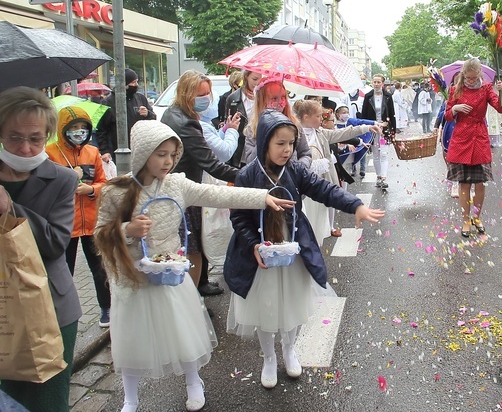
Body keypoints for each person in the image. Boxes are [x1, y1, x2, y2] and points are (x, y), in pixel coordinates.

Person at [94, 120, 293, 412]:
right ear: (142, 153)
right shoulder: (115, 191)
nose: (168, 161)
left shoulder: (177, 184)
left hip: (170, 273)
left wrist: (261, 197)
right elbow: (99, 232)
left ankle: (192, 380)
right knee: (130, 339)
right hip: (131, 277)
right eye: (161, 153)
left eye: (173, 154)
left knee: (182, 330)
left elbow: (218, 194)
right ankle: (131, 397)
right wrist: (127, 229)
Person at [224, 111, 384, 389]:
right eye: (280, 144)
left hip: (292, 246)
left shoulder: (296, 171)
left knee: (294, 300)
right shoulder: (248, 175)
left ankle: (289, 349)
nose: (287, 150)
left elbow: (324, 189)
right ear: (264, 143)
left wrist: (355, 204)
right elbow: (238, 217)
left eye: (291, 143)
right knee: (264, 305)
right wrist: (253, 245)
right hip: (260, 250)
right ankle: (269, 357)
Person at [0, 87, 82, 412]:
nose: (25, 147)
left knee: (47, 401)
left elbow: (54, 242)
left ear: (47, 135)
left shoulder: (62, 179)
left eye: (35, 138)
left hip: (50, 308)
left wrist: (10, 209)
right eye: (14, 137)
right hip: (4, 305)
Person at [161, 70, 240, 297]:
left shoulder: (173, 113)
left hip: (183, 188)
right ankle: (192, 299)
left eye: (208, 93)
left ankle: (201, 284)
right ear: (186, 94)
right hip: (185, 191)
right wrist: (246, 176)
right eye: (200, 94)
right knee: (192, 247)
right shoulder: (186, 122)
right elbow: (212, 163)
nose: (206, 98)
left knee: (194, 242)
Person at [45, 106, 111, 327]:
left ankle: (106, 309)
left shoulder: (92, 152)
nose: (79, 131)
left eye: (83, 127)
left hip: (92, 222)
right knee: (63, 273)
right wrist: (68, 181)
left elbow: (104, 184)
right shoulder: (50, 153)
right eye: (74, 128)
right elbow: (46, 188)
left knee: (100, 268)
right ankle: (61, 314)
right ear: (63, 129)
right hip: (65, 224)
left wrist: (91, 190)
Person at [294, 99, 381, 243]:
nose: (322, 119)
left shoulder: (320, 133)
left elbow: (343, 133)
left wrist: (366, 127)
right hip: (303, 187)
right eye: (318, 116)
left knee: (319, 223)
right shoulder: (294, 134)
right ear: (306, 117)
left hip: (320, 184)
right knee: (306, 224)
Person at [444, 58, 502, 237]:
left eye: (473, 78)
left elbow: (500, 108)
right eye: (467, 78)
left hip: (479, 138)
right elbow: (448, 116)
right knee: (464, 184)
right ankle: (465, 220)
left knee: (480, 184)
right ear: (463, 74)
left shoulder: (486, 88)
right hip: (461, 138)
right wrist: (455, 108)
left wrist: (501, 93)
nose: (470, 81)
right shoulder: (455, 89)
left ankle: (477, 217)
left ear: (479, 74)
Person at [242, 78, 311, 168]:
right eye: (274, 98)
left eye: (283, 97)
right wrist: (263, 133)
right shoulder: (253, 128)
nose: (280, 102)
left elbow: (306, 154)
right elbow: (250, 161)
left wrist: (298, 168)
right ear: (261, 101)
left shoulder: (295, 124)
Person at [96, 68, 156, 163]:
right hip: (116, 152)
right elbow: (101, 130)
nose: (136, 85)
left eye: (137, 82)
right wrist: (104, 151)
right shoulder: (107, 102)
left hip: (140, 149)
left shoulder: (140, 98)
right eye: (133, 82)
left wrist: (148, 114)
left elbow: (153, 120)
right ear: (124, 84)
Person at [360, 74, 397, 189]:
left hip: (384, 130)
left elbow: (392, 114)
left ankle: (384, 178)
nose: (376, 84)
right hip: (373, 129)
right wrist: (366, 128)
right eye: (374, 82)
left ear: (382, 83)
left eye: (378, 82)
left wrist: (393, 130)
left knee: (384, 154)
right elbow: (364, 115)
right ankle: (379, 177)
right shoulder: (368, 96)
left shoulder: (388, 96)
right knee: (376, 155)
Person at [224, 71, 263, 168]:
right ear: (246, 77)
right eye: (254, 79)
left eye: (261, 80)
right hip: (239, 151)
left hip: (259, 149)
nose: (258, 83)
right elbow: (228, 125)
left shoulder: (264, 97)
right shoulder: (233, 98)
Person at [199, 99, 241, 163]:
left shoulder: (206, 124)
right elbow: (224, 152)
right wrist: (232, 130)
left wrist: (225, 128)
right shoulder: (201, 128)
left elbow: (215, 139)